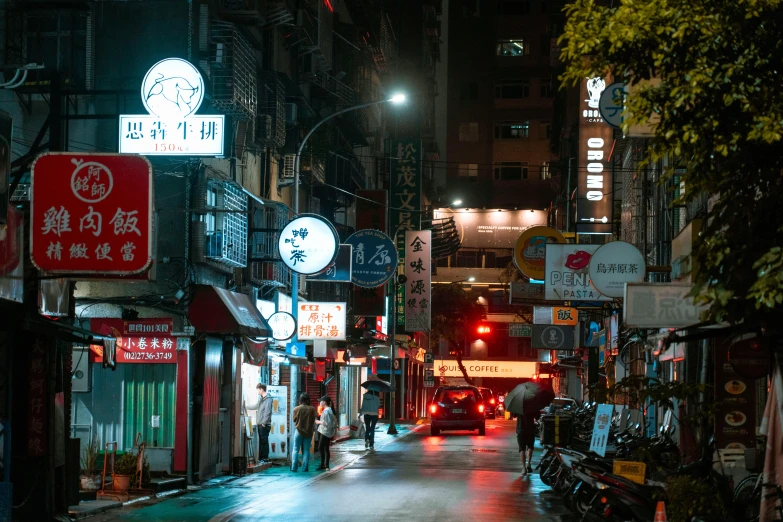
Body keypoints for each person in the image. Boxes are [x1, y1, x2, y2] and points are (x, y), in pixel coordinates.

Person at [247, 383, 273, 463]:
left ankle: (264, 458)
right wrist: (246, 407)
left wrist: (264, 423)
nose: (257, 391)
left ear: (261, 389)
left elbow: (267, 412)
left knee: (264, 441)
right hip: (261, 423)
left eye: (258, 389)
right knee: (262, 441)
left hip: (264, 424)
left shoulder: (268, 399)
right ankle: (263, 458)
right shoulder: (262, 399)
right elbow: (256, 406)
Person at [291, 393, 316, 472]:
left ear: (300, 400)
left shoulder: (296, 409)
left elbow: (294, 419)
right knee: (306, 450)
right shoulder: (312, 409)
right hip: (308, 432)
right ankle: (305, 468)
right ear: (308, 400)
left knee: (295, 449)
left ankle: (294, 467)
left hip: (298, 431)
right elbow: (313, 420)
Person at [315, 396, 337, 470]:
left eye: (321, 401)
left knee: (321, 447)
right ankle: (326, 464)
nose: (320, 402)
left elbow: (326, 423)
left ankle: (322, 464)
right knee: (326, 448)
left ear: (324, 402)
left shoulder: (326, 411)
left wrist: (318, 421)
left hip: (324, 431)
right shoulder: (330, 410)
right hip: (329, 432)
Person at [517, 410, 536, 475]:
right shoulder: (533, 405)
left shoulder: (519, 405)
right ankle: (528, 464)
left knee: (522, 449)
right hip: (530, 429)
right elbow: (537, 417)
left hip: (520, 430)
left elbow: (513, 415)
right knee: (530, 447)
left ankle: (524, 468)